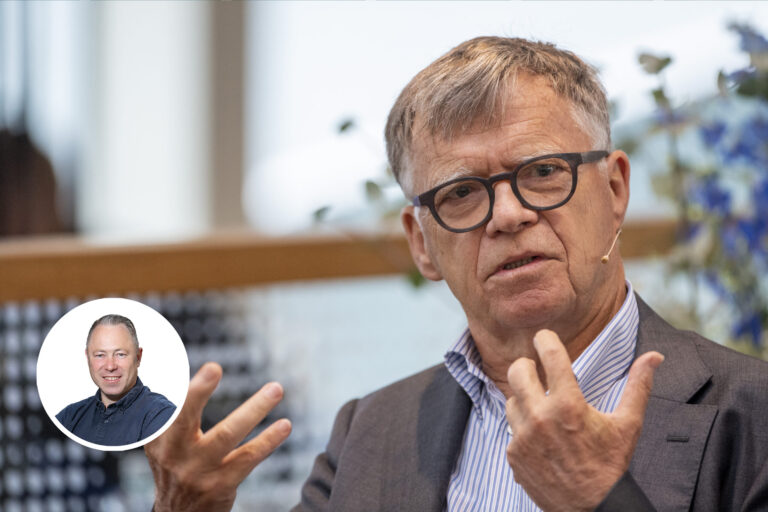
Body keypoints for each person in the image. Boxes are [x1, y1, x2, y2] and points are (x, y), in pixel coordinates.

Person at [145, 37, 768, 510]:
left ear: (614, 190)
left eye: (543, 172)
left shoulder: (752, 413)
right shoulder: (370, 433)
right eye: (462, 193)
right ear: (421, 244)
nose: (508, 214)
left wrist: (598, 501)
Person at [57, 314, 176, 446]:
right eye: (100, 355)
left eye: (120, 354)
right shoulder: (69, 417)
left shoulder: (162, 415)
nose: (110, 366)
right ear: (88, 357)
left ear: (138, 357)